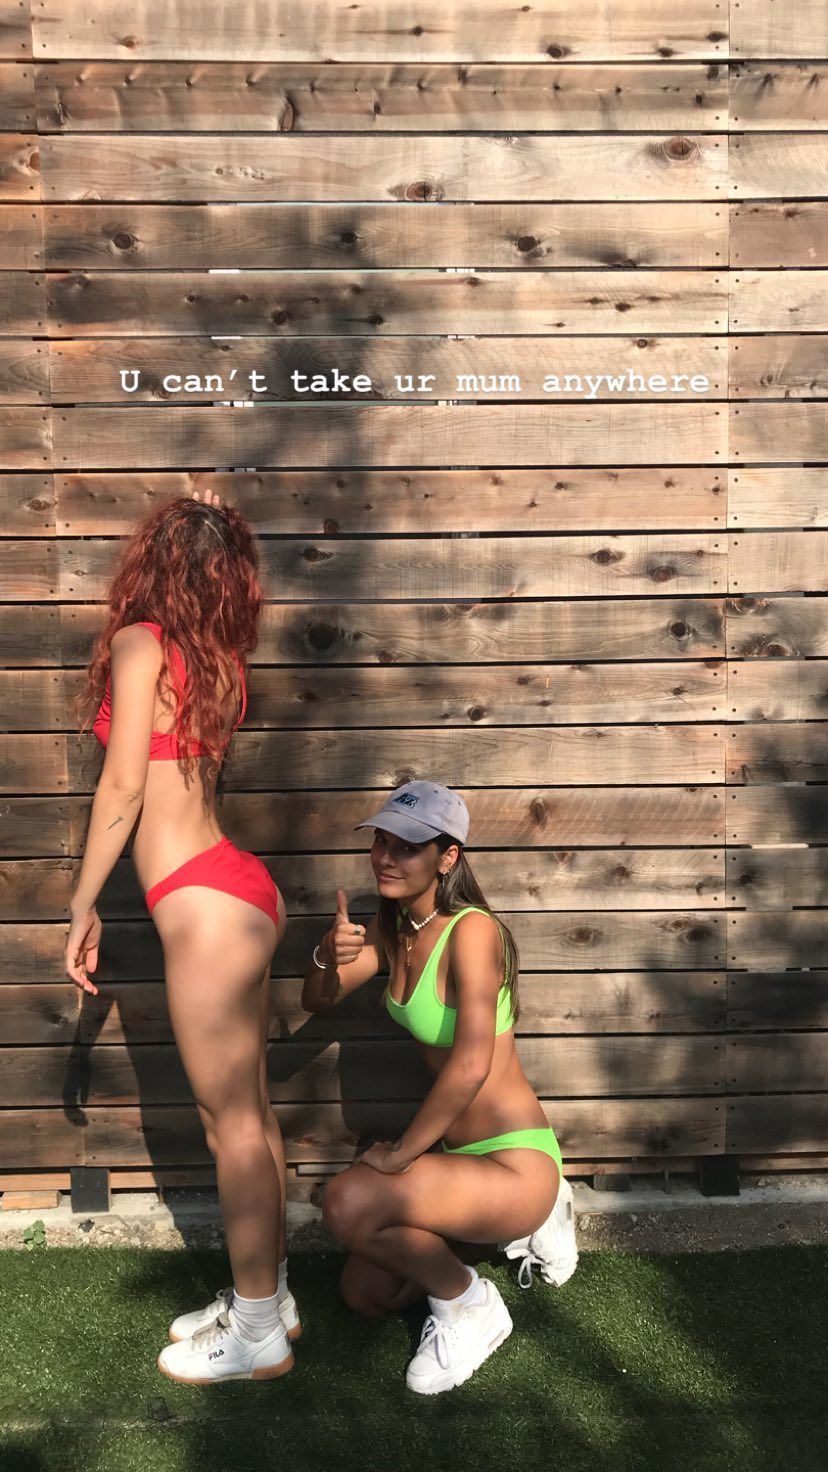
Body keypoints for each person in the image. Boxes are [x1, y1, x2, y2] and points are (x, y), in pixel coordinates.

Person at [65, 488, 298, 1386]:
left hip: (202, 908)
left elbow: (123, 788)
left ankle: (256, 1332)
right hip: (240, 890)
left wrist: (82, 903)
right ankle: (270, 1300)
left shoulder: (140, 645)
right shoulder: (220, 657)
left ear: (150, 562)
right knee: (253, 1113)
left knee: (228, 1124)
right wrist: (213, 524)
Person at [301, 780, 571, 1395]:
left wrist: (401, 1154)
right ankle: (475, 1256)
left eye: (408, 847)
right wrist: (324, 953)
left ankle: (473, 1305)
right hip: (457, 1160)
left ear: (447, 857)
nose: (386, 857)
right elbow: (317, 1000)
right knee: (366, 1295)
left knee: (347, 1203)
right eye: (381, 842)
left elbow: (472, 1064)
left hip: (514, 1162)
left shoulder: (473, 931)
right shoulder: (393, 927)